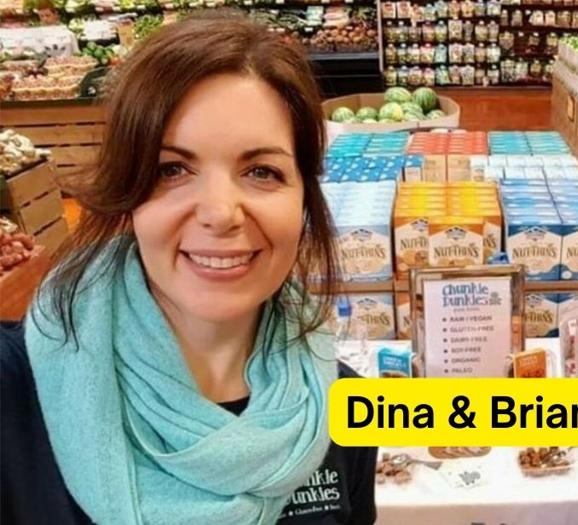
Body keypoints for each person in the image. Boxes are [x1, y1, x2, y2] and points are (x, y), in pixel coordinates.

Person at [1, 13, 377, 525]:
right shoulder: (17, 391)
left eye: (261, 171)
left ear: (304, 200)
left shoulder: (339, 404)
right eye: (172, 169)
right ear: (128, 193)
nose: (220, 213)